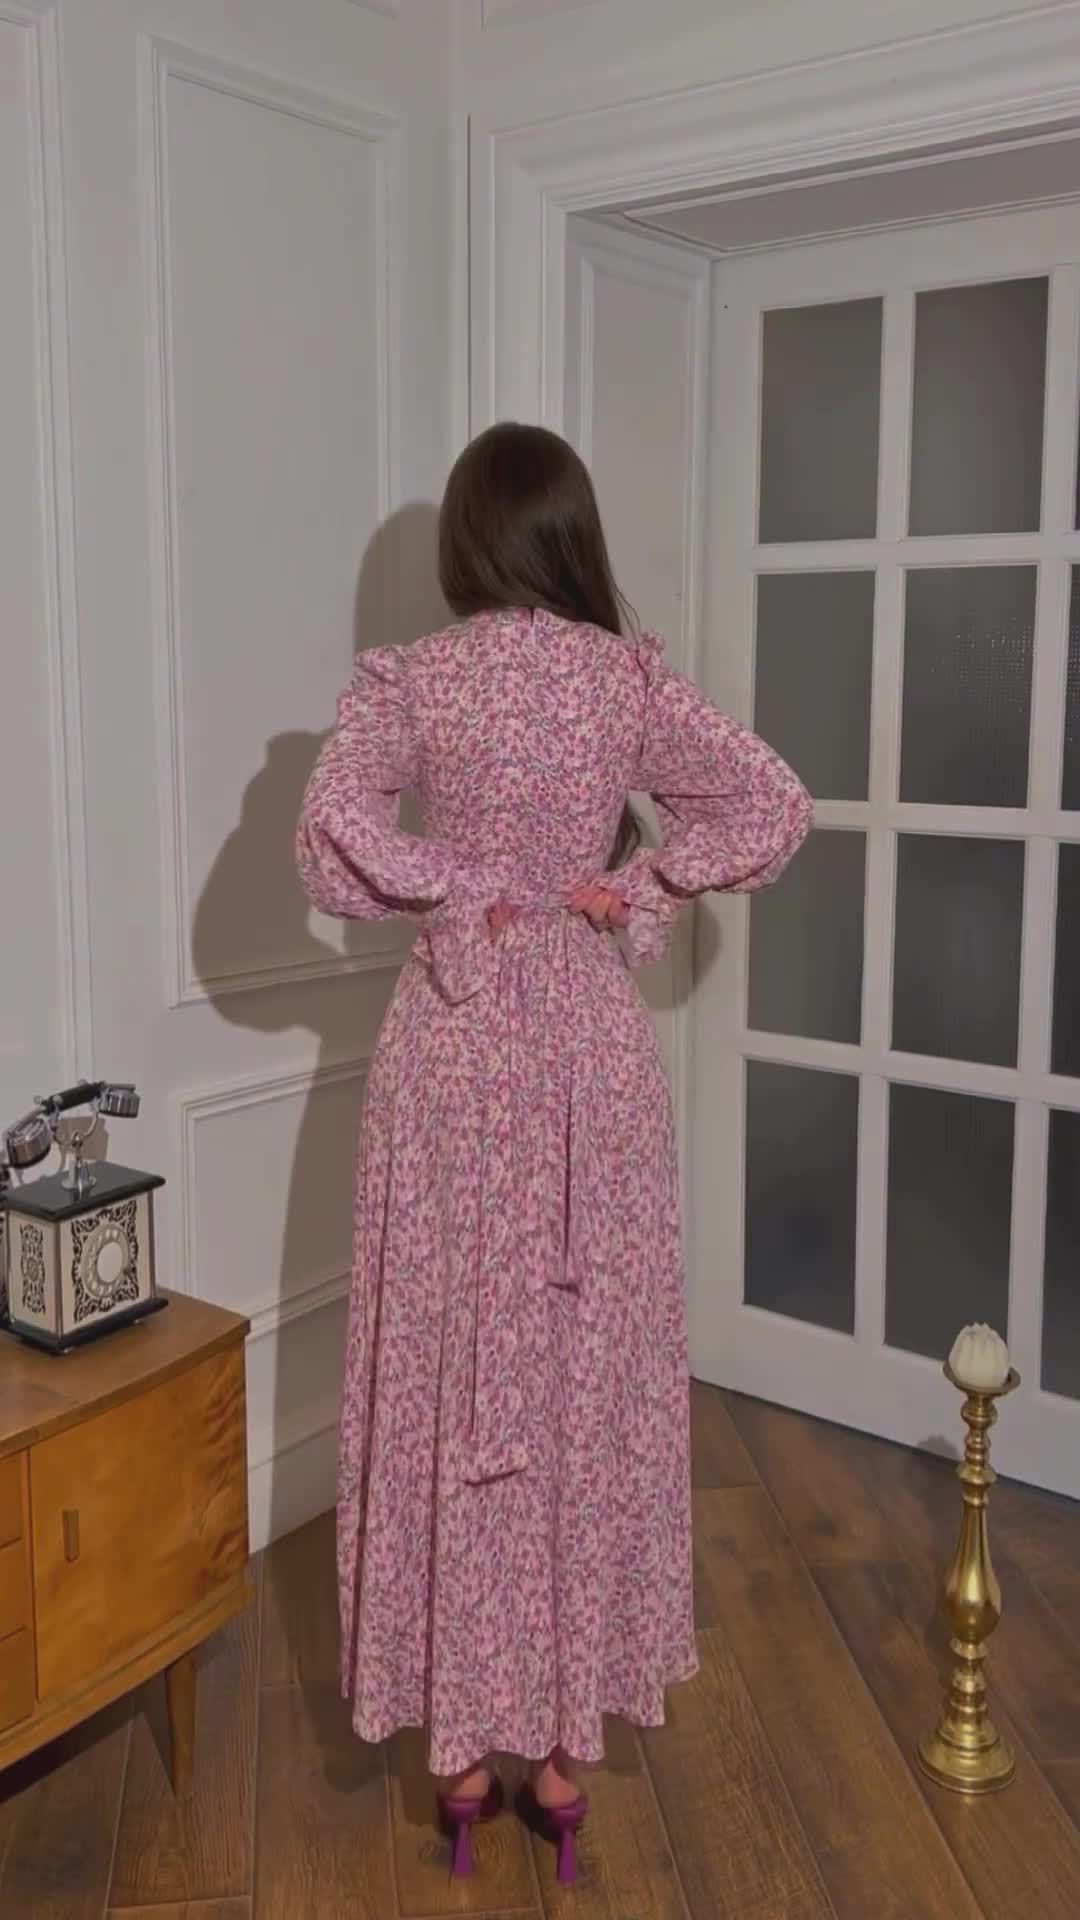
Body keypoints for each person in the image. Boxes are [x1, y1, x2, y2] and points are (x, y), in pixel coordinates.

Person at [296, 422, 812, 1885]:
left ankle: (459, 1752)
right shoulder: (619, 680)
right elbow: (773, 800)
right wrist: (640, 880)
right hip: (586, 1049)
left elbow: (328, 828)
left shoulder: (417, 679)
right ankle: (565, 1752)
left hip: (456, 1053)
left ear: (466, 540)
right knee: (585, 1375)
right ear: (571, 534)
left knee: (451, 1366)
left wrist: (456, 883)